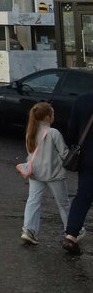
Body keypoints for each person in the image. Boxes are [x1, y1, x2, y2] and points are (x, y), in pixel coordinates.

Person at [20, 102, 70, 245]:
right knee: (63, 203)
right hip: (54, 173)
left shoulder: (31, 132)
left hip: (35, 173)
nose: (54, 116)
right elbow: (64, 153)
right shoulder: (53, 132)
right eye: (53, 113)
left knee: (33, 200)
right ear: (48, 117)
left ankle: (29, 230)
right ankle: (72, 231)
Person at [63, 90, 93, 255]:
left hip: (87, 158)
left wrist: (75, 146)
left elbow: (72, 131)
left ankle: (71, 236)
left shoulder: (83, 100)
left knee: (83, 197)